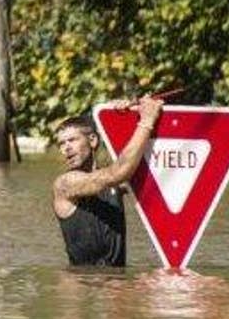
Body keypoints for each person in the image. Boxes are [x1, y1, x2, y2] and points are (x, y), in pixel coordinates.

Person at [52, 95, 163, 266]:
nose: (66, 148)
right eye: (61, 143)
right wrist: (146, 122)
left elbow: (134, 164)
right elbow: (118, 172)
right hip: (83, 286)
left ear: (93, 140)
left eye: (72, 140)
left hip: (115, 284)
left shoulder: (114, 179)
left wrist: (126, 116)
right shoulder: (65, 184)